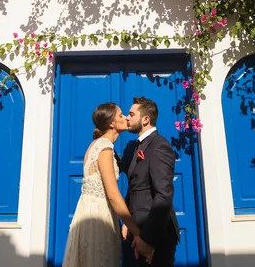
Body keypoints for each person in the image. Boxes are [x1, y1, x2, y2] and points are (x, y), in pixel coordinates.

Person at [63, 102, 141, 267]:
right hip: (97, 216)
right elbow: (112, 193)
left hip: (88, 211)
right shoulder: (104, 148)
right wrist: (135, 229)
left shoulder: (95, 146)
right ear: (111, 123)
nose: (126, 118)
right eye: (121, 115)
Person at [123, 97, 180, 267]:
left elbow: (164, 195)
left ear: (145, 119)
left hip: (157, 237)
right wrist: (129, 222)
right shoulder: (137, 147)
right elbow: (135, 187)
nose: (127, 117)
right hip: (138, 231)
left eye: (131, 114)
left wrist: (148, 239)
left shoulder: (158, 146)